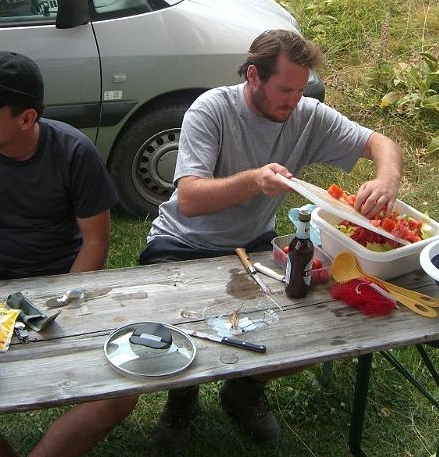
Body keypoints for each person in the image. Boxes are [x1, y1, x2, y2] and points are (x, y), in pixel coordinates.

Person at [139, 29, 403, 451]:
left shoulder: (305, 113)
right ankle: (182, 394)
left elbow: (379, 142)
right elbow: (188, 198)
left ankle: (246, 386)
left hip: (255, 247)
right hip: (182, 243)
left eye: (301, 91)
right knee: (182, 329)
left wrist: (387, 177)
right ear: (253, 76)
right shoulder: (212, 110)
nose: (294, 102)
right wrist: (253, 181)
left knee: (318, 325)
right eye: (285, 90)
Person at [0, 51, 137, 456]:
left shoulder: (74, 153)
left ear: (26, 118)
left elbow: (95, 241)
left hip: (64, 286)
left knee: (121, 393)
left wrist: (65, 300)